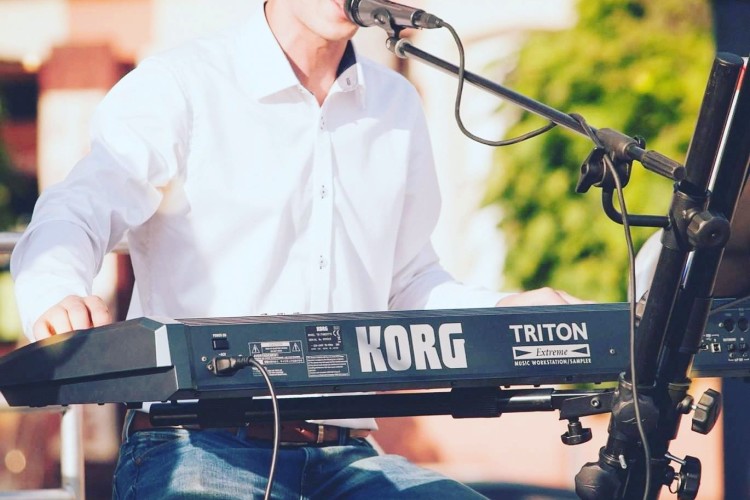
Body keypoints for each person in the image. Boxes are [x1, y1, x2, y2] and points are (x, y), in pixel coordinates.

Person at [10, 0, 582, 498]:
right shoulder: (182, 83)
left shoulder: (396, 105)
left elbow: (408, 281)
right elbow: (77, 208)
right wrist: (57, 291)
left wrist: (505, 313)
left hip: (347, 452)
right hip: (199, 444)